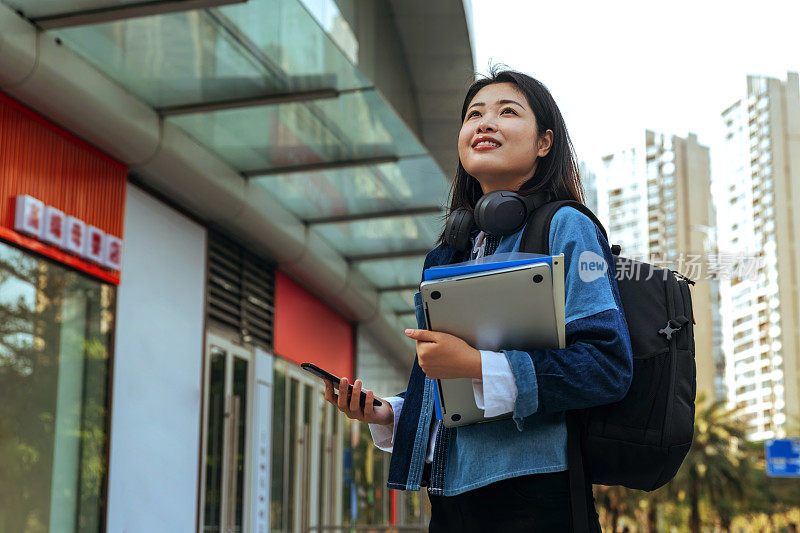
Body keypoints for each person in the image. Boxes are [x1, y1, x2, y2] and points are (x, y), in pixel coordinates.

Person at [324, 67, 633, 532]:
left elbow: (608, 365)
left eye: (507, 112)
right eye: (474, 114)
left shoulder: (567, 227)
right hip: (449, 496)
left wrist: (476, 365)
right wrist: (387, 412)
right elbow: (446, 391)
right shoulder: (447, 252)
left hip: (534, 496)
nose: (484, 123)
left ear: (545, 142)